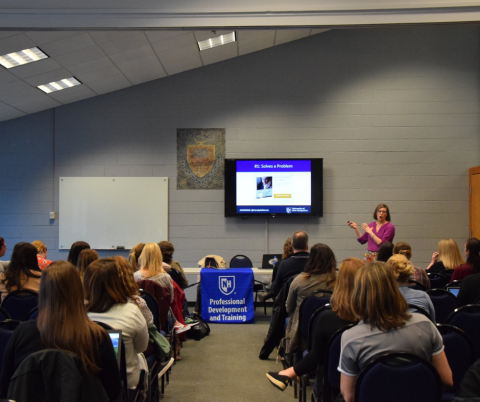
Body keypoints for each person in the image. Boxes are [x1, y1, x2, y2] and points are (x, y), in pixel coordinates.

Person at [0, 261, 123, 401]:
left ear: (43, 292)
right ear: (79, 291)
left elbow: (6, 389)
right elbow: (113, 393)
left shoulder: (22, 334)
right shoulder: (98, 337)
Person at [338, 262, 452, 402]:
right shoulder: (425, 324)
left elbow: (349, 396)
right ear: (394, 290)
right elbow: (446, 380)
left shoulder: (351, 338)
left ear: (358, 294)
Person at [266, 258, 363, 394]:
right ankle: (289, 373)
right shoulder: (376, 320)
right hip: (372, 386)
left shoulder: (328, 318)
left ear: (340, 282)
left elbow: (317, 355)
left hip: (334, 386)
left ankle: (290, 372)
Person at [84, 258, 149, 391]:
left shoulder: (76, 313)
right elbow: (142, 347)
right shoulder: (132, 311)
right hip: (124, 386)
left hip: (86, 388)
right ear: (119, 282)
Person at [285, 243, 337, 353]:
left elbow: (289, 308)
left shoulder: (299, 281)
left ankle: (296, 363)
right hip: (333, 329)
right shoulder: (340, 280)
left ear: (311, 259)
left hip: (303, 332)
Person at [133, 243, 189, 334]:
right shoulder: (166, 277)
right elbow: (170, 300)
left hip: (139, 316)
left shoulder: (135, 276)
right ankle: (176, 324)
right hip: (161, 319)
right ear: (159, 257)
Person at [386, 254, 436, 322]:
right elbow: (432, 323)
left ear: (387, 274)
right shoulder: (424, 296)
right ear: (408, 274)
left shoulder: (382, 300)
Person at [268, 231, 310, 298]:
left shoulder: (283, 264)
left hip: (287, 303)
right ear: (307, 246)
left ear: (292, 245)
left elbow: (275, 289)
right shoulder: (316, 263)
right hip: (310, 303)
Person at [259, 237, 293, 303]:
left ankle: (267, 294)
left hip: (283, 298)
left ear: (285, 248)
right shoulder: (307, 262)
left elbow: (275, 283)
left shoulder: (280, 263)